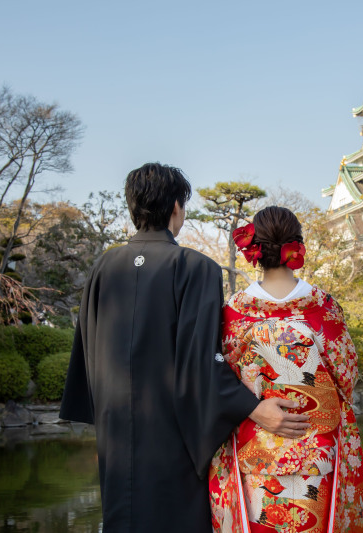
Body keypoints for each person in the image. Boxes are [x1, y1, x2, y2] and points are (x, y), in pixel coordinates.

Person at [59, 164, 310, 532]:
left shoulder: (103, 268)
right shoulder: (196, 268)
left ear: (133, 207)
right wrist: (253, 408)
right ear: (177, 207)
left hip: (115, 436)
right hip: (172, 436)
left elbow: (88, 351)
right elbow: (203, 360)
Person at [209, 206, 363, 533]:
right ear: (297, 245)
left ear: (255, 250)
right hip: (316, 454)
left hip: (255, 454)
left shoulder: (234, 312)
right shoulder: (322, 307)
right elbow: (346, 376)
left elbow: (220, 382)